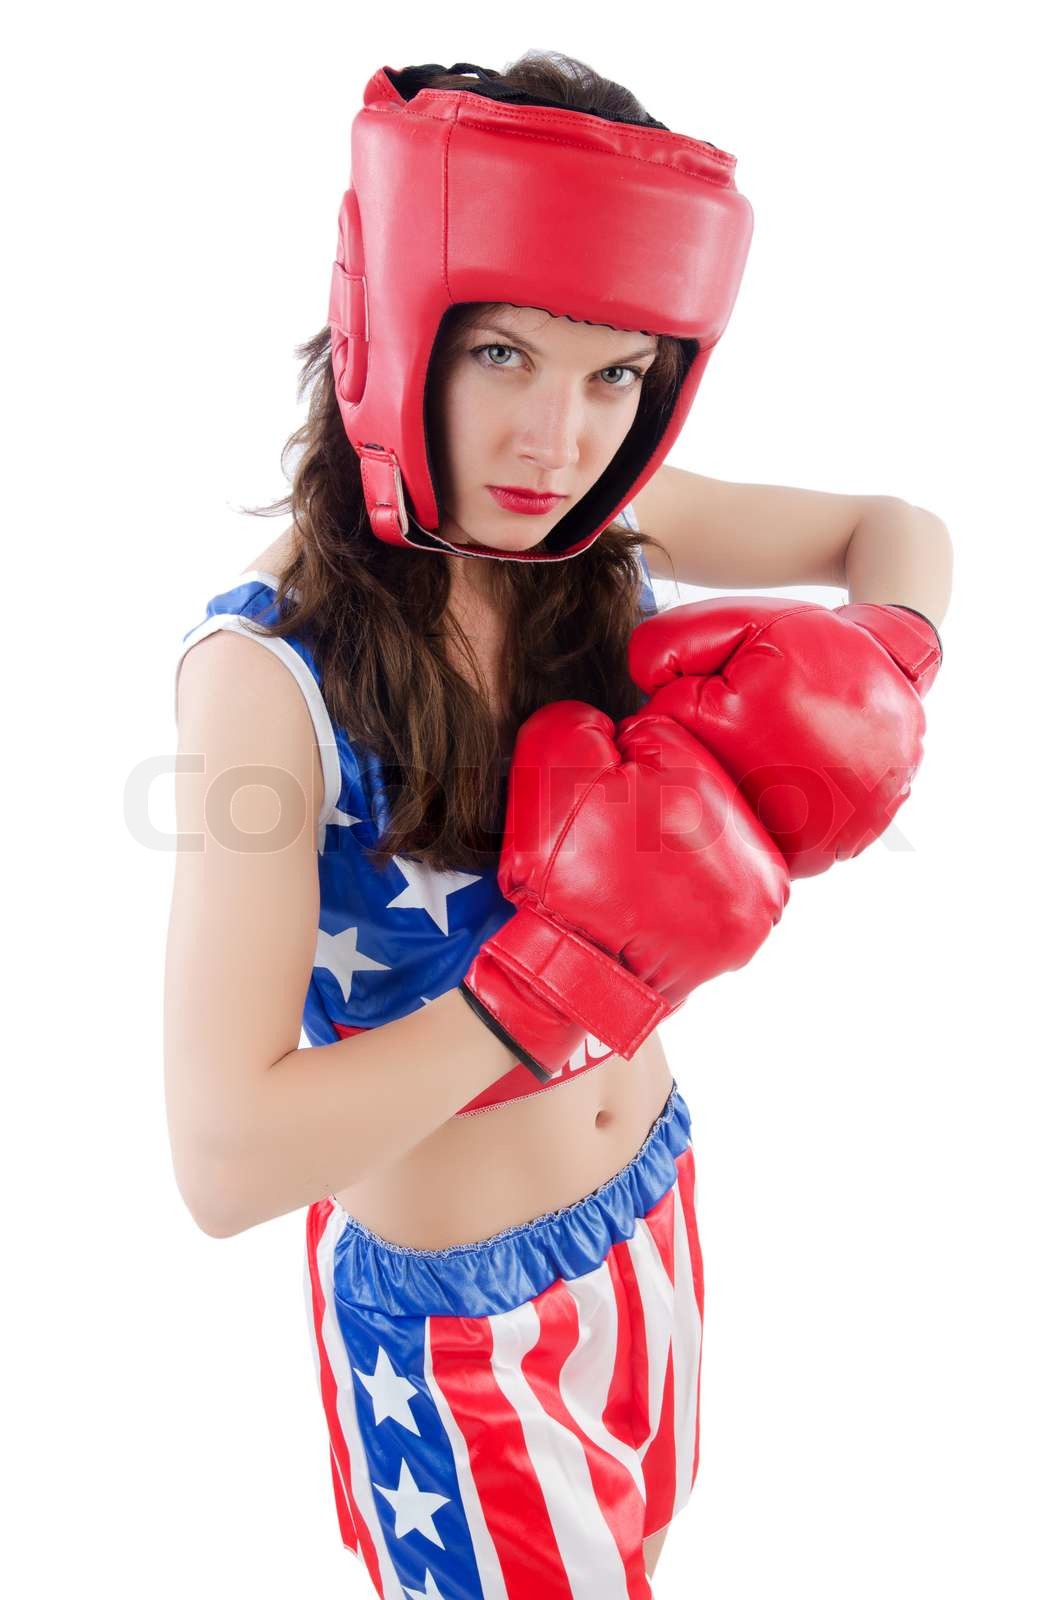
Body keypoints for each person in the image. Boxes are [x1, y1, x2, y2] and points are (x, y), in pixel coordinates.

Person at [166, 54, 949, 1598]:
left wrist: (883, 677)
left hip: (651, 1203)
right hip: (455, 1347)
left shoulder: (601, 521)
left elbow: (895, 530)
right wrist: (566, 970)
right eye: (509, 354)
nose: (558, 438)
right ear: (399, 326)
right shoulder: (269, 674)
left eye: (615, 376)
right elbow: (221, 1163)